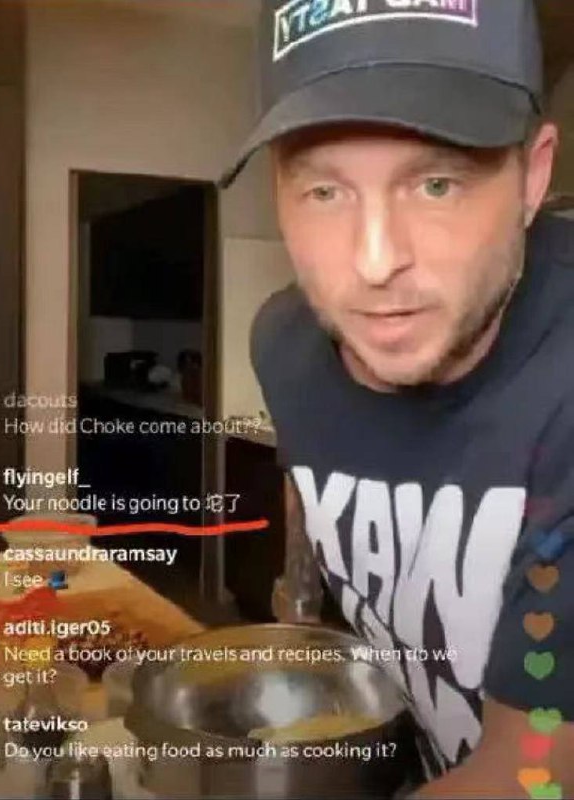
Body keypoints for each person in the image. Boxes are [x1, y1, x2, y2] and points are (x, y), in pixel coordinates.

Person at [221, 0, 573, 796]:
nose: (375, 263)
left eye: (437, 184)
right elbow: (310, 489)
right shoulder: (284, 343)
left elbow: (535, 774)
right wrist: (299, 611)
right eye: (324, 192)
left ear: (533, 176)